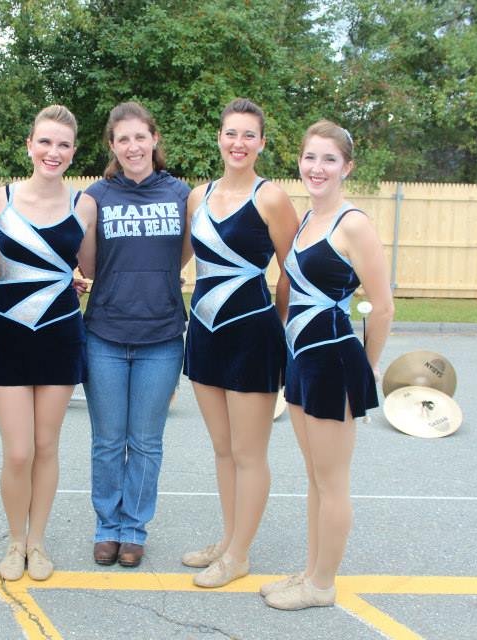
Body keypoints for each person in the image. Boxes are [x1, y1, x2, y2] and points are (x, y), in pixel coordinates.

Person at [261, 121, 393, 610]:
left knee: (332, 481)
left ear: (347, 167)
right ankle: (312, 570)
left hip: (334, 360)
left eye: (329, 160)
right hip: (302, 359)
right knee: (314, 476)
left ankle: (322, 585)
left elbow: (382, 306)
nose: (317, 168)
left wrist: (368, 366)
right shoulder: (305, 221)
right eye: (310, 157)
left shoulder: (352, 223)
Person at [182, 98, 299, 588]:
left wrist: (277, 325)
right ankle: (228, 539)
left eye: (249, 135)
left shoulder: (271, 198)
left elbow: (293, 272)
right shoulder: (197, 196)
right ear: (219, 137)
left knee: (250, 453)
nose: (239, 143)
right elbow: (182, 262)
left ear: (262, 143)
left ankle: (240, 554)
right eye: (231, 133)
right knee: (222, 448)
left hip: (253, 335)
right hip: (205, 332)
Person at [76, 101, 190, 568]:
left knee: (145, 441)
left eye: (140, 137)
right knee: (107, 440)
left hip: (161, 336)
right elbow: (87, 265)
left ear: (154, 139)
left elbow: (182, 254)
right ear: (112, 146)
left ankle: (134, 530)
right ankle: (107, 527)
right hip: (104, 333)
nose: (133, 146)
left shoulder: (181, 194)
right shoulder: (95, 196)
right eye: (123, 139)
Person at [0, 105, 85, 581]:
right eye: (45, 142)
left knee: (47, 446)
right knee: (17, 451)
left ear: (73, 152)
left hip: (60, 335)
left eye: (63, 144)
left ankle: (37, 541)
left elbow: (93, 269)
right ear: (29, 145)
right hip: (7, 336)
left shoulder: (84, 204)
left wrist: (69, 281)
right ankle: (14, 540)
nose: (53, 151)